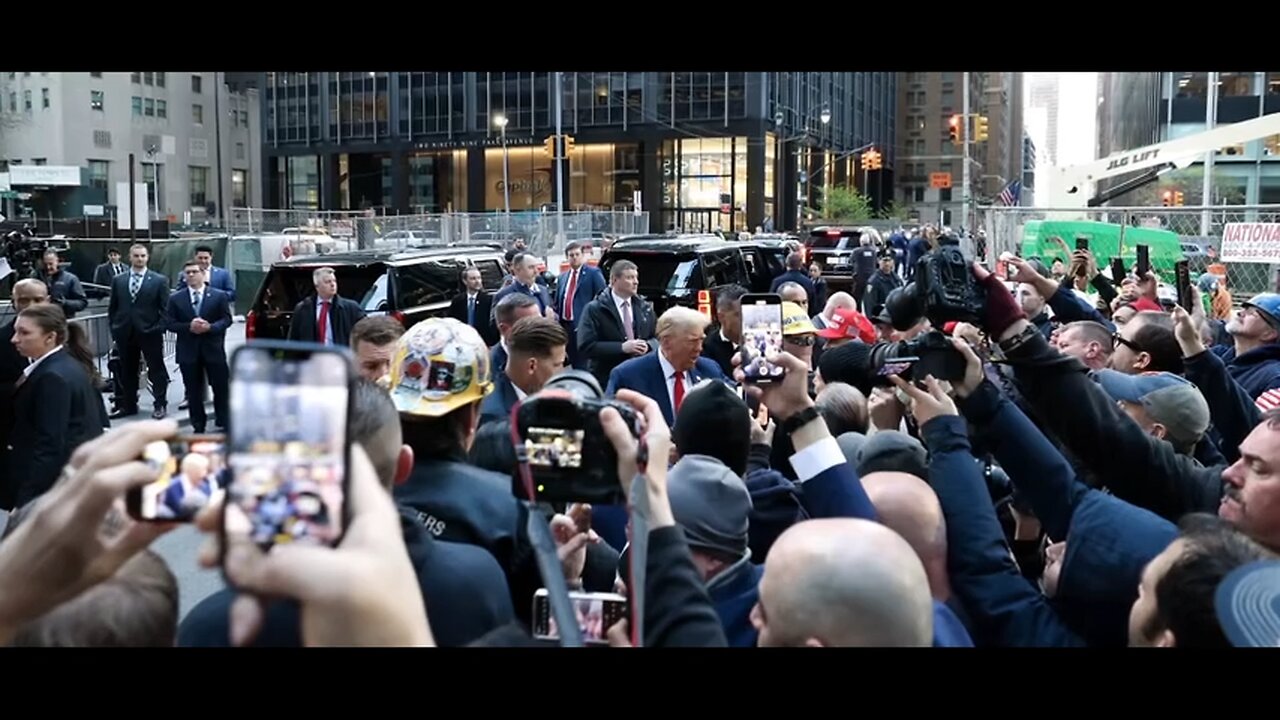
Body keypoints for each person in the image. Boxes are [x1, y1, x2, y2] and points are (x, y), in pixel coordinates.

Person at [8, 304, 108, 507]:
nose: (14, 339)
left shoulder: (51, 377)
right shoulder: (66, 365)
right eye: (15, 331)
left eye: (24, 332)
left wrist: (27, 499)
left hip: (55, 488)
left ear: (50, 337)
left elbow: (50, 444)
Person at [166, 260, 233, 433]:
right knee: (193, 391)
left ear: (203, 274)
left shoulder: (218, 296)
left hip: (213, 349)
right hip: (189, 351)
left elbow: (226, 319)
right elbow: (169, 323)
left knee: (221, 387)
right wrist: (189, 326)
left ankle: (224, 420)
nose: (191, 275)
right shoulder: (175, 299)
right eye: (187, 273)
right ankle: (198, 424)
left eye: (194, 272)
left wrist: (210, 327)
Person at [108, 243, 171, 420]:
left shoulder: (159, 280)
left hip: (150, 332)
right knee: (127, 370)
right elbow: (113, 308)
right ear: (130, 257)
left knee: (156, 369)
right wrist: (115, 329)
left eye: (143, 256)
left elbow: (165, 309)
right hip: (125, 333)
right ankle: (129, 406)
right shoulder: (119, 280)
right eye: (136, 256)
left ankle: (160, 404)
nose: (140, 259)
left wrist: (158, 328)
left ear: (147, 257)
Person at [287, 267, 366, 347]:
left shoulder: (351, 308)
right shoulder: (303, 309)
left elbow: (366, 332)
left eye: (334, 281)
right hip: (313, 357)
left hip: (340, 356)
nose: (332, 284)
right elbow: (293, 340)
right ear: (317, 286)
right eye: (327, 282)